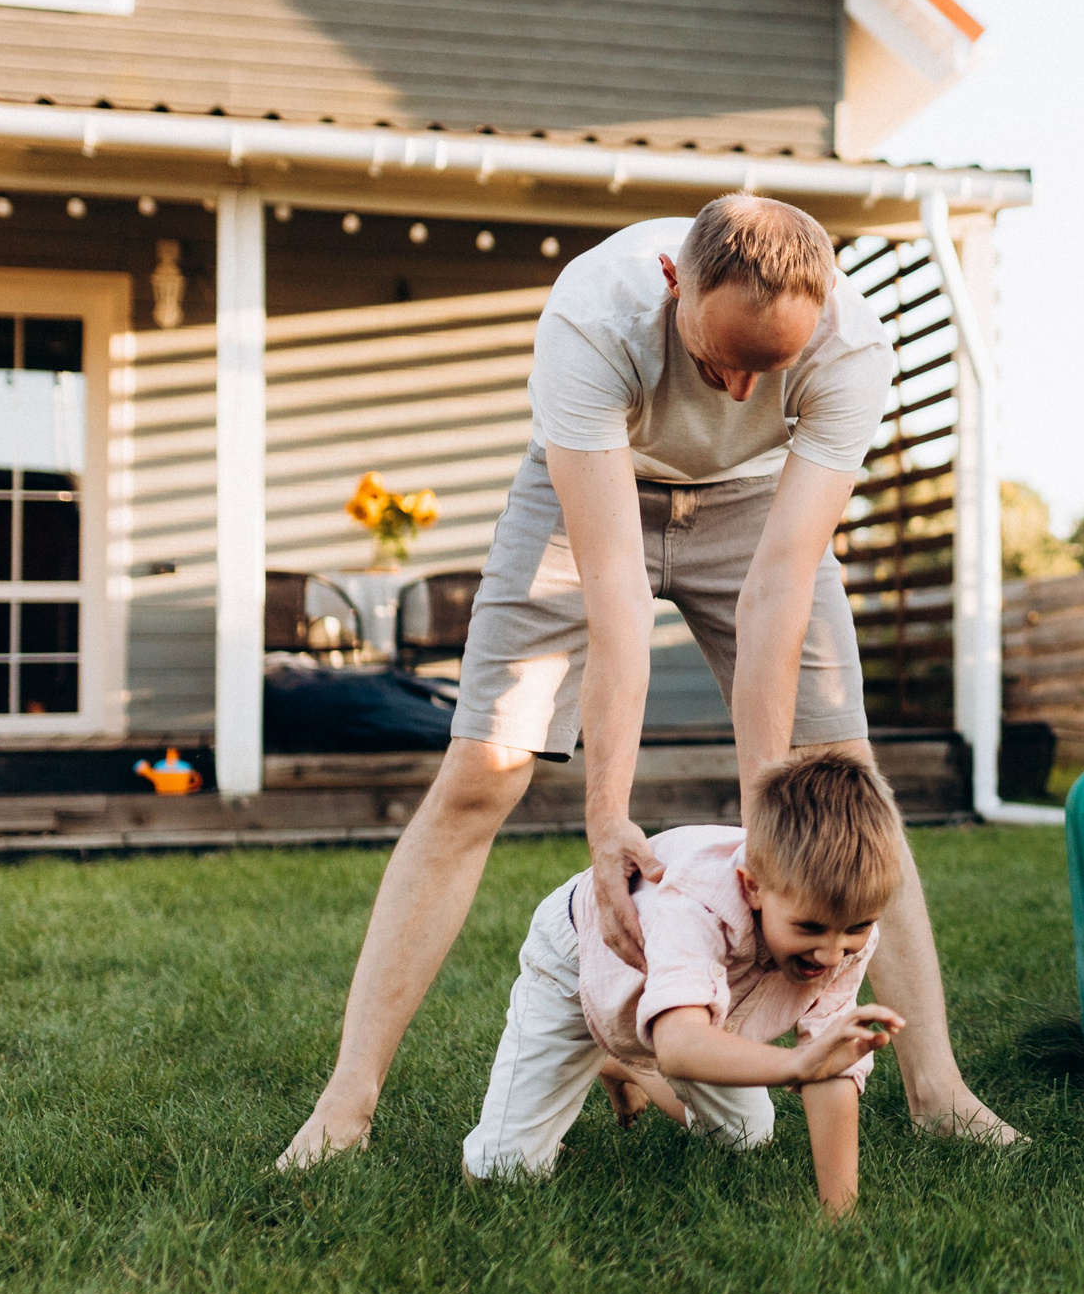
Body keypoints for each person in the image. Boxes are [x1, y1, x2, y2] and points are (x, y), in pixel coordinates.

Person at [283, 193, 1015, 1168]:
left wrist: (773, 819)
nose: (744, 392)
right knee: (483, 770)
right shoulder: (594, 314)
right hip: (592, 482)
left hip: (755, 506)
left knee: (842, 772)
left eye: (773, 367)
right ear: (675, 280)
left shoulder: (852, 345)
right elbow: (617, 593)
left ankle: (940, 1091)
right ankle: (347, 1101)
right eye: (723, 361)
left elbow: (779, 582)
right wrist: (607, 818)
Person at [463, 754, 908, 1213]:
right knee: (504, 1175)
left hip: (693, 998)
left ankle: (625, 1063)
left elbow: (830, 1068)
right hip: (582, 961)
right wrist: (796, 1064)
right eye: (811, 928)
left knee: (745, 1137)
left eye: (857, 927)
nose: (833, 953)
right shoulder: (693, 905)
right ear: (753, 887)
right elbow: (680, 1046)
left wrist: (839, 1217)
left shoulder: (846, 927)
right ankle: (604, 1049)